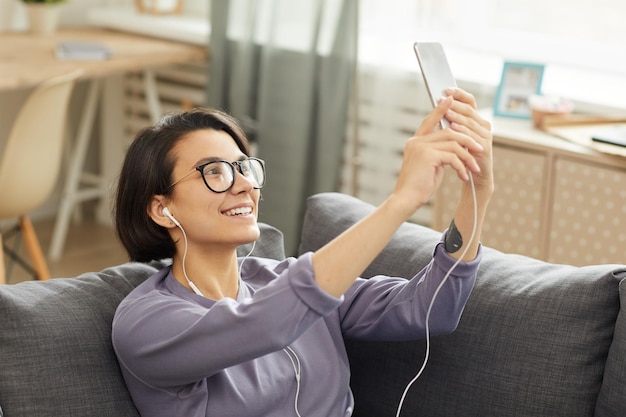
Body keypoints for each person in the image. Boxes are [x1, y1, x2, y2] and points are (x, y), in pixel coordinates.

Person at [112, 87, 493, 417]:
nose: (244, 184)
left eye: (244, 167)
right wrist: (402, 201)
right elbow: (265, 325)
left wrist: (477, 193)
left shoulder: (276, 277)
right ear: (162, 208)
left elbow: (431, 309)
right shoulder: (147, 324)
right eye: (215, 171)